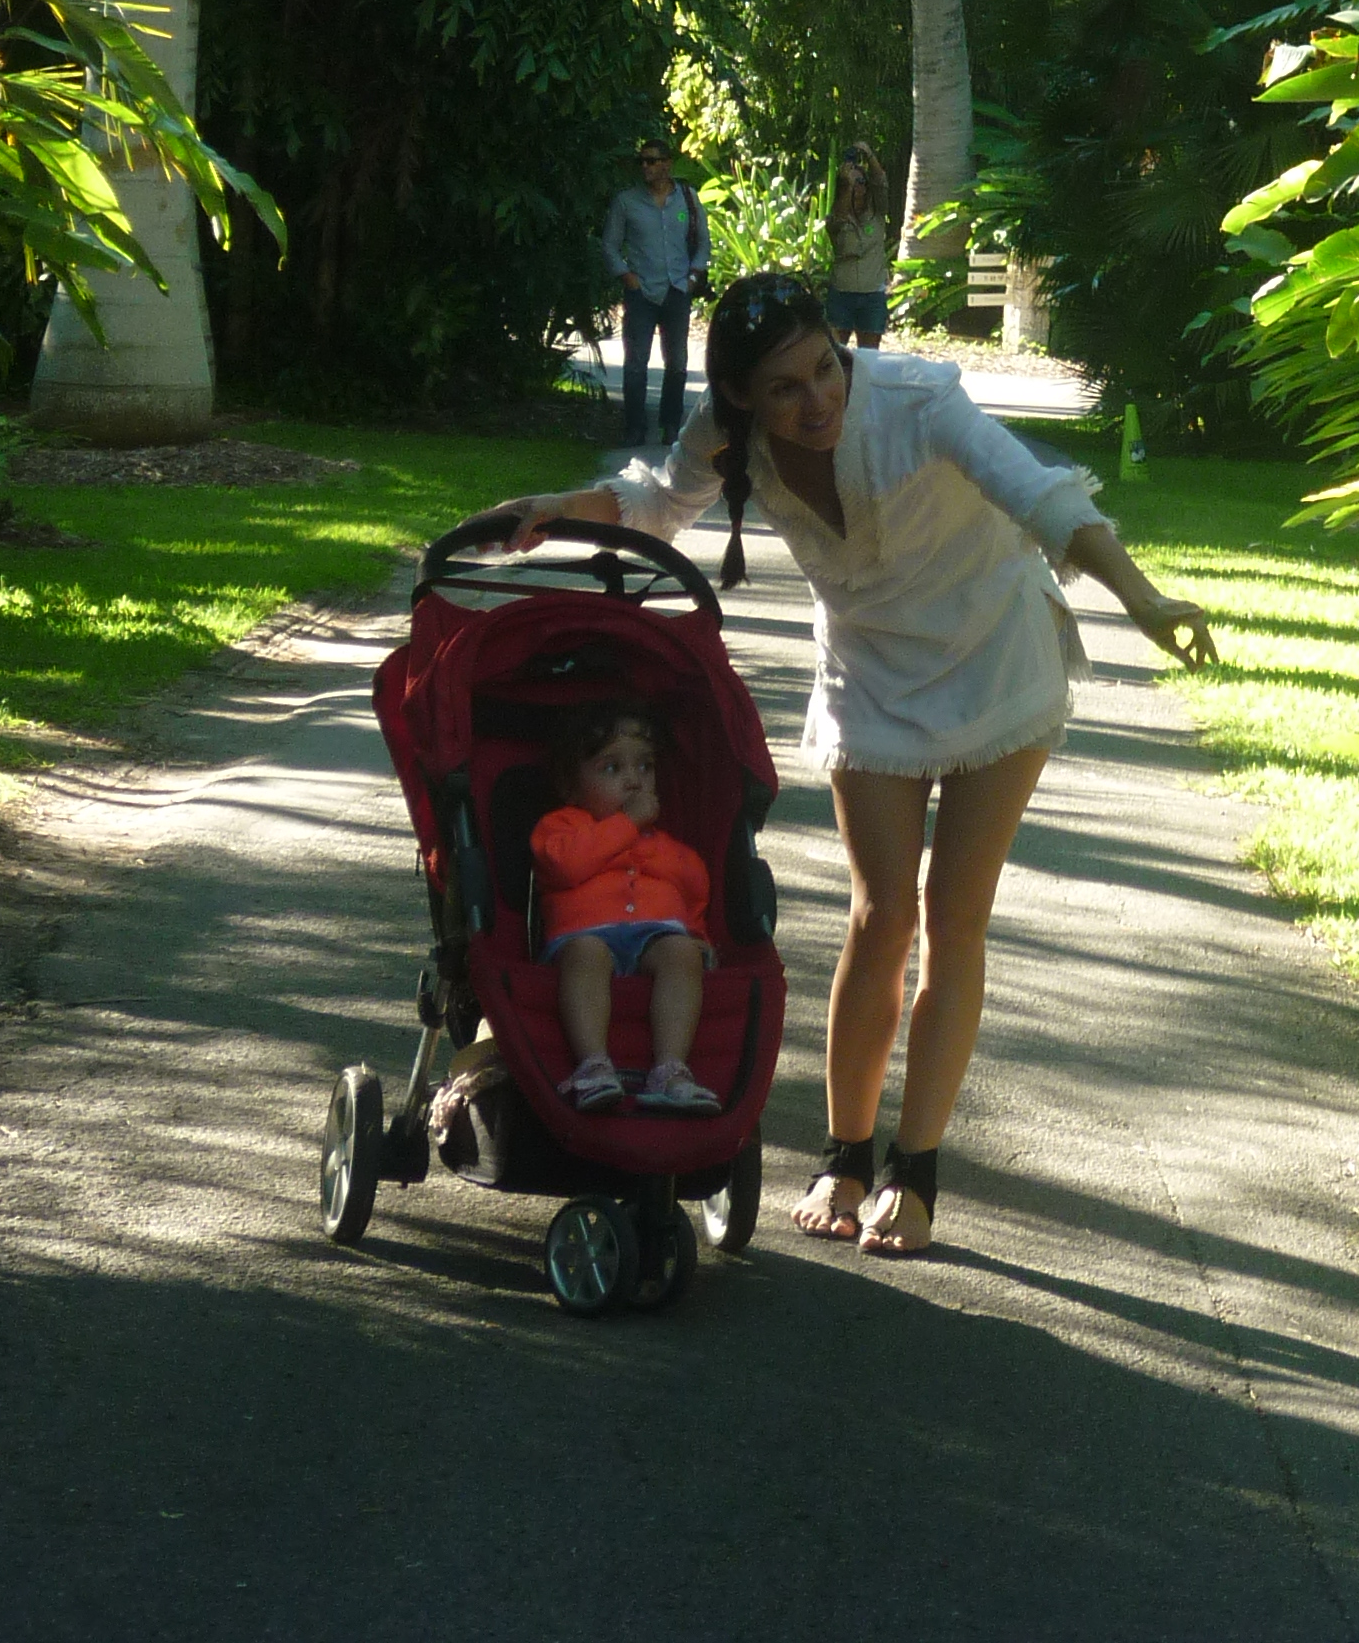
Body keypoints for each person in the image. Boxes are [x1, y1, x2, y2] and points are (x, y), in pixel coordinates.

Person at [493, 268, 1216, 1255]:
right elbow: (658, 503)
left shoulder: (919, 400)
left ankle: (914, 1172)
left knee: (954, 918)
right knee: (880, 915)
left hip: (997, 659)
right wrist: (558, 505)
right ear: (743, 396)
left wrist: (1144, 598)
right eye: (785, 387)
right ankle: (843, 1155)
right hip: (871, 676)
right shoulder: (727, 431)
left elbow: (1040, 496)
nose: (817, 398)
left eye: (826, 368)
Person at [530, 703, 720, 1117]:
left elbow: (694, 890)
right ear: (570, 786)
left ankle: (670, 1069)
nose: (634, 781)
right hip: (586, 933)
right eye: (612, 769)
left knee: (681, 953)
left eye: (645, 767)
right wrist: (626, 825)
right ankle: (593, 1065)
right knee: (586, 955)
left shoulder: (667, 846)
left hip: (656, 931)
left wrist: (697, 935)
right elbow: (566, 865)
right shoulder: (562, 827)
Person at [600, 135, 710, 447]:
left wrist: (694, 276)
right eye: (642, 161)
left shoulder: (687, 198)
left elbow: (704, 242)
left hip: (677, 289)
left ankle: (671, 425)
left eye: (652, 161)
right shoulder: (627, 201)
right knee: (636, 364)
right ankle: (635, 428)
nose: (645, 167)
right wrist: (627, 277)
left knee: (677, 364)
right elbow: (609, 245)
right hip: (641, 292)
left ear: (667, 164)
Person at [824, 143, 895, 347]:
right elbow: (838, 218)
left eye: (862, 182)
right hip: (842, 293)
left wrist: (869, 154)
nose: (859, 187)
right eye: (854, 183)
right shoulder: (836, 218)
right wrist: (846, 185)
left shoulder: (877, 213)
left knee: (869, 356)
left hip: (872, 294)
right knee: (837, 353)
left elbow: (881, 182)